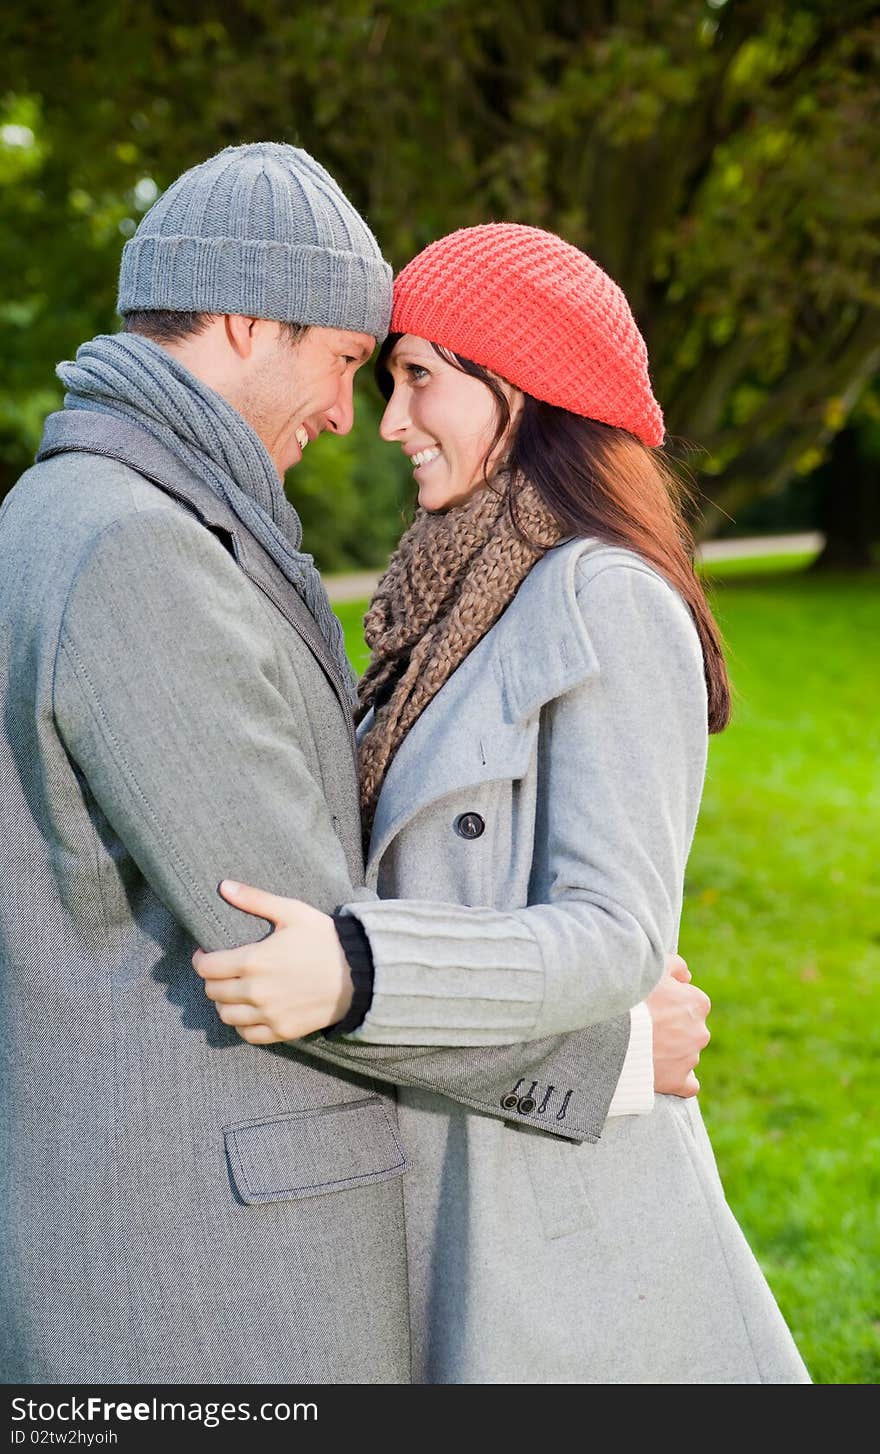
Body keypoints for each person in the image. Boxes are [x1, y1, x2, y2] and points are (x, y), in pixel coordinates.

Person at [0, 149, 706, 1385]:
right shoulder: (133, 546)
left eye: (412, 376)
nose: (360, 416)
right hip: (195, 1242)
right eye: (350, 361)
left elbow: (596, 920)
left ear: (522, 393)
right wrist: (605, 1060)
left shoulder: (77, 514)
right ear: (242, 322)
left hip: (458, 1217)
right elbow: (290, 927)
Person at [195, 223, 812, 1384]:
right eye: (386, 380)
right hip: (429, 1187)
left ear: (522, 392)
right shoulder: (446, 603)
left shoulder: (608, 601)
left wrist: (358, 969)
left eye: (421, 377)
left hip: (556, 1230)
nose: (387, 421)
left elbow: (617, 936)